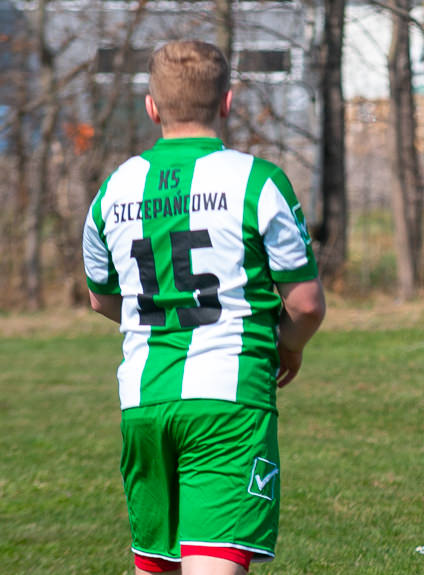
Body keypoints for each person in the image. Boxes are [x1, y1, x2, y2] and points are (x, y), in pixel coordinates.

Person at [82, 40, 325, 575]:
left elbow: (102, 298)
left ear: (152, 106)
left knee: (158, 565)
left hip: (142, 402)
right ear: (227, 102)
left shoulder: (114, 188)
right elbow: (305, 304)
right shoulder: (258, 181)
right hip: (228, 398)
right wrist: (289, 347)